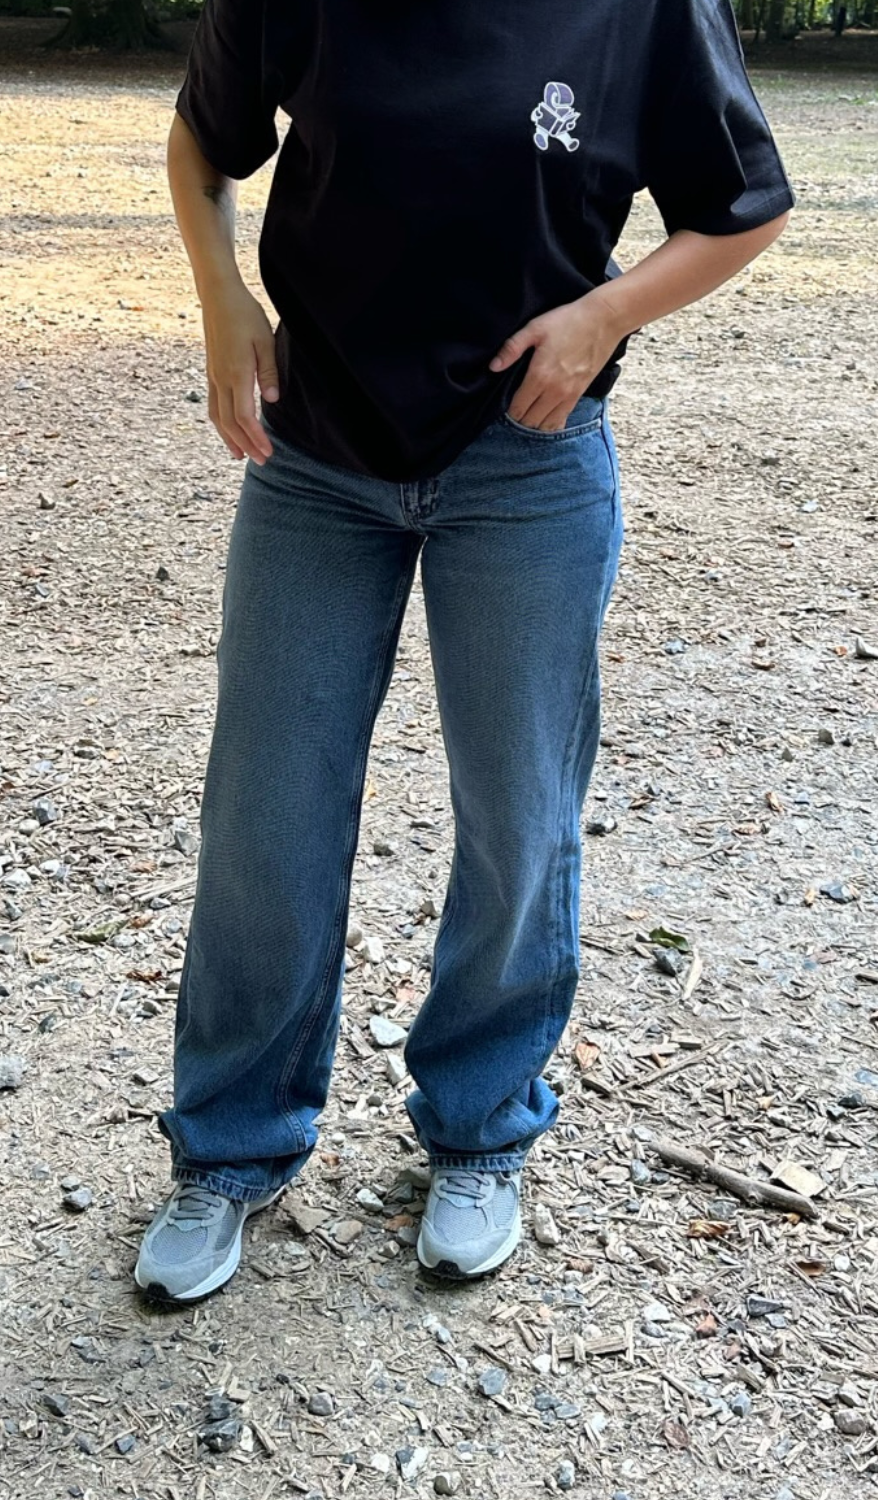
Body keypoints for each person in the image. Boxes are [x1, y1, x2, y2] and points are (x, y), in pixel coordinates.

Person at [134, 0, 795, 1301]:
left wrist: (605, 316)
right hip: (315, 456)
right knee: (266, 813)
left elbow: (746, 206)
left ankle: (482, 1128)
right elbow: (202, 143)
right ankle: (229, 1149)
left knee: (518, 814)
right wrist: (223, 303)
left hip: (527, 461)